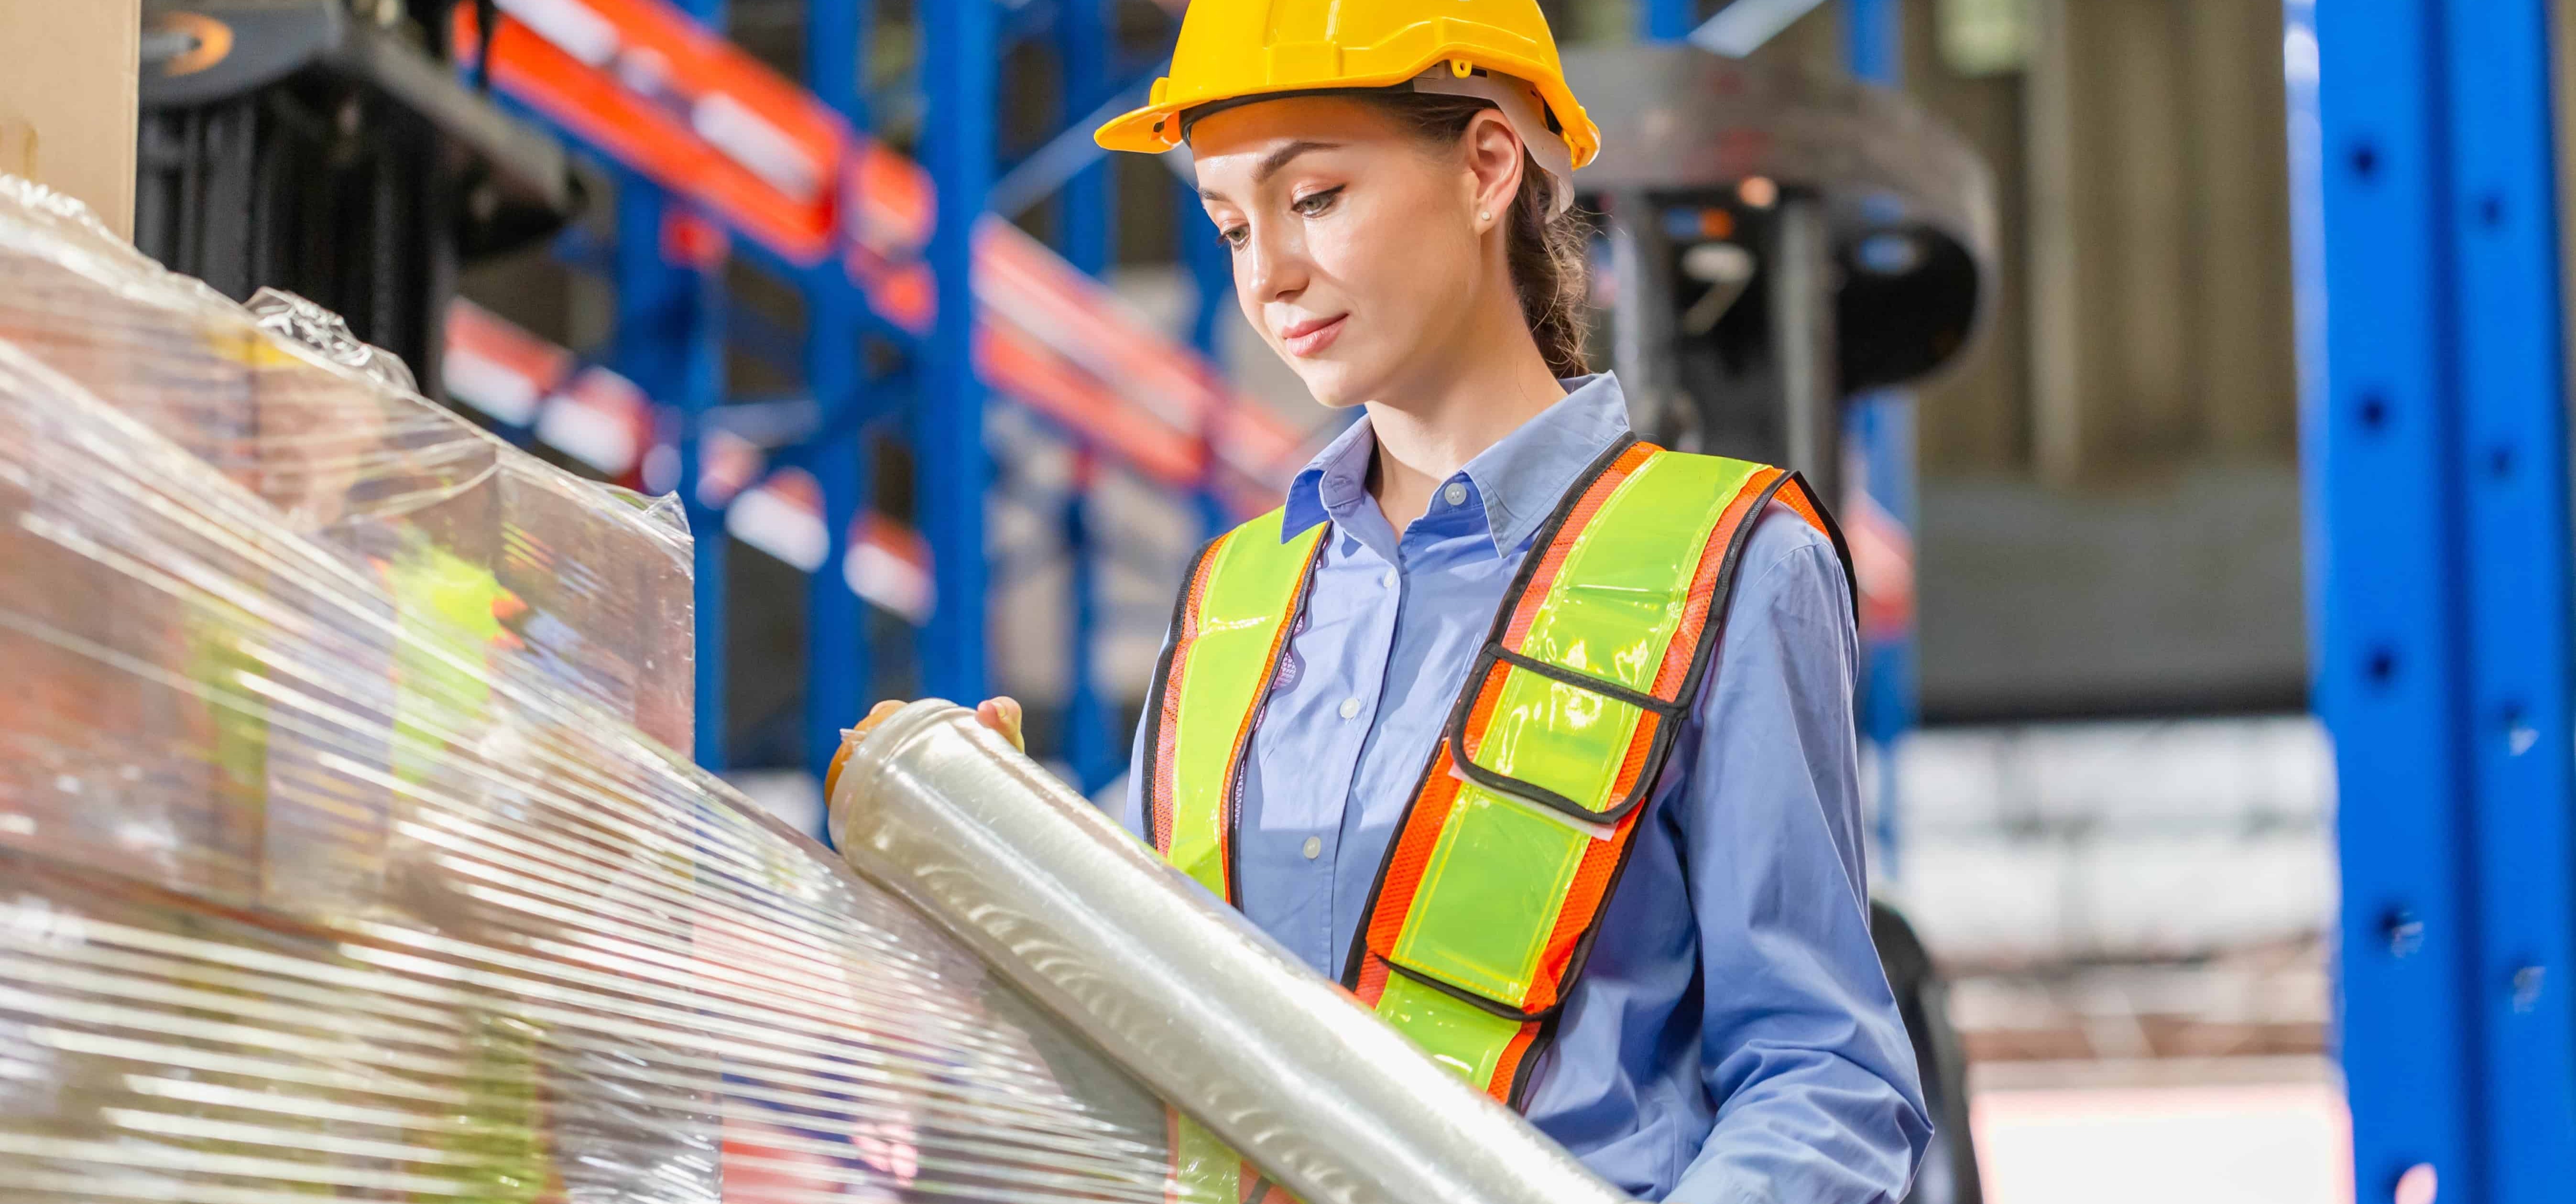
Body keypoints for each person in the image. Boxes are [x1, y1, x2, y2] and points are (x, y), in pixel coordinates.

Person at [840, 3, 1930, 1201]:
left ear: (1486, 167)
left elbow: (1823, 1074)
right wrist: (1004, 898)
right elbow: (1146, 1062)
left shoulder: (1728, 561)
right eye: (1230, 226)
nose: (1272, 276)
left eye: (1315, 199)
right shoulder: (1231, 604)